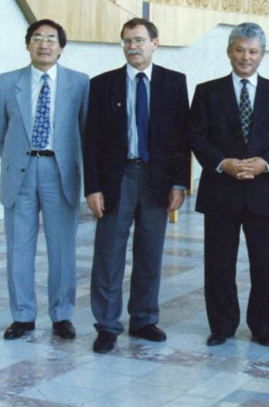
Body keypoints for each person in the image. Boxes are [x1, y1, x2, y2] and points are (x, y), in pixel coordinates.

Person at [84, 18, 190, 354]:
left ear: (155, 43)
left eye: (140, 40)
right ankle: (107, 325)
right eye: (127, 41)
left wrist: (179, 183)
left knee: (150, 251)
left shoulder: (174, 83)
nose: (133, 47)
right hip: (118, 179)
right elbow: (91, 141)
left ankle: (144, 319)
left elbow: (181, 138)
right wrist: (93, 187)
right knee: (109, 254)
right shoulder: (102, 85)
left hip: (157, 181)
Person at [190, 23, 269, 347]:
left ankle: (263, 328)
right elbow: (196, 136)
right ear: (229, 52)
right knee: (219, 265)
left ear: (262, 55)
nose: (245, 57)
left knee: (266, 266)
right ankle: (222, 326)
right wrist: (223, 163)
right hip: (221, 190)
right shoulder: (207, 92)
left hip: (264, 192)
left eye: (252, 51)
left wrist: (266, 163)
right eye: (239, 50)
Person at [0, 19, 89, 341]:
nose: (44, 44)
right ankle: (22, 316)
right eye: (37, 38)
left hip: (60, 172)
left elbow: (85, 131)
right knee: (19, 247)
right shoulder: (9, 82)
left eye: (50, 39)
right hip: (20, 172)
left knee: (62, 248)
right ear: (27, 44)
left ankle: (62, 315)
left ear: (61, 47)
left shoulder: (79, 83)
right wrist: (18, 159)